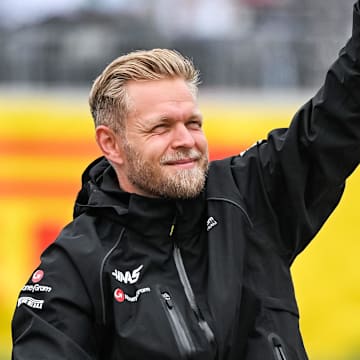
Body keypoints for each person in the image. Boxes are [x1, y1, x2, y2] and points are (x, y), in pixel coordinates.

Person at [11, 3, 360, 360]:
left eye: (193, 123)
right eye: (161, 127)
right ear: (111, 144)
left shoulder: (251, 196)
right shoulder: (75, 265)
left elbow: (340, 115)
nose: (186, 140)